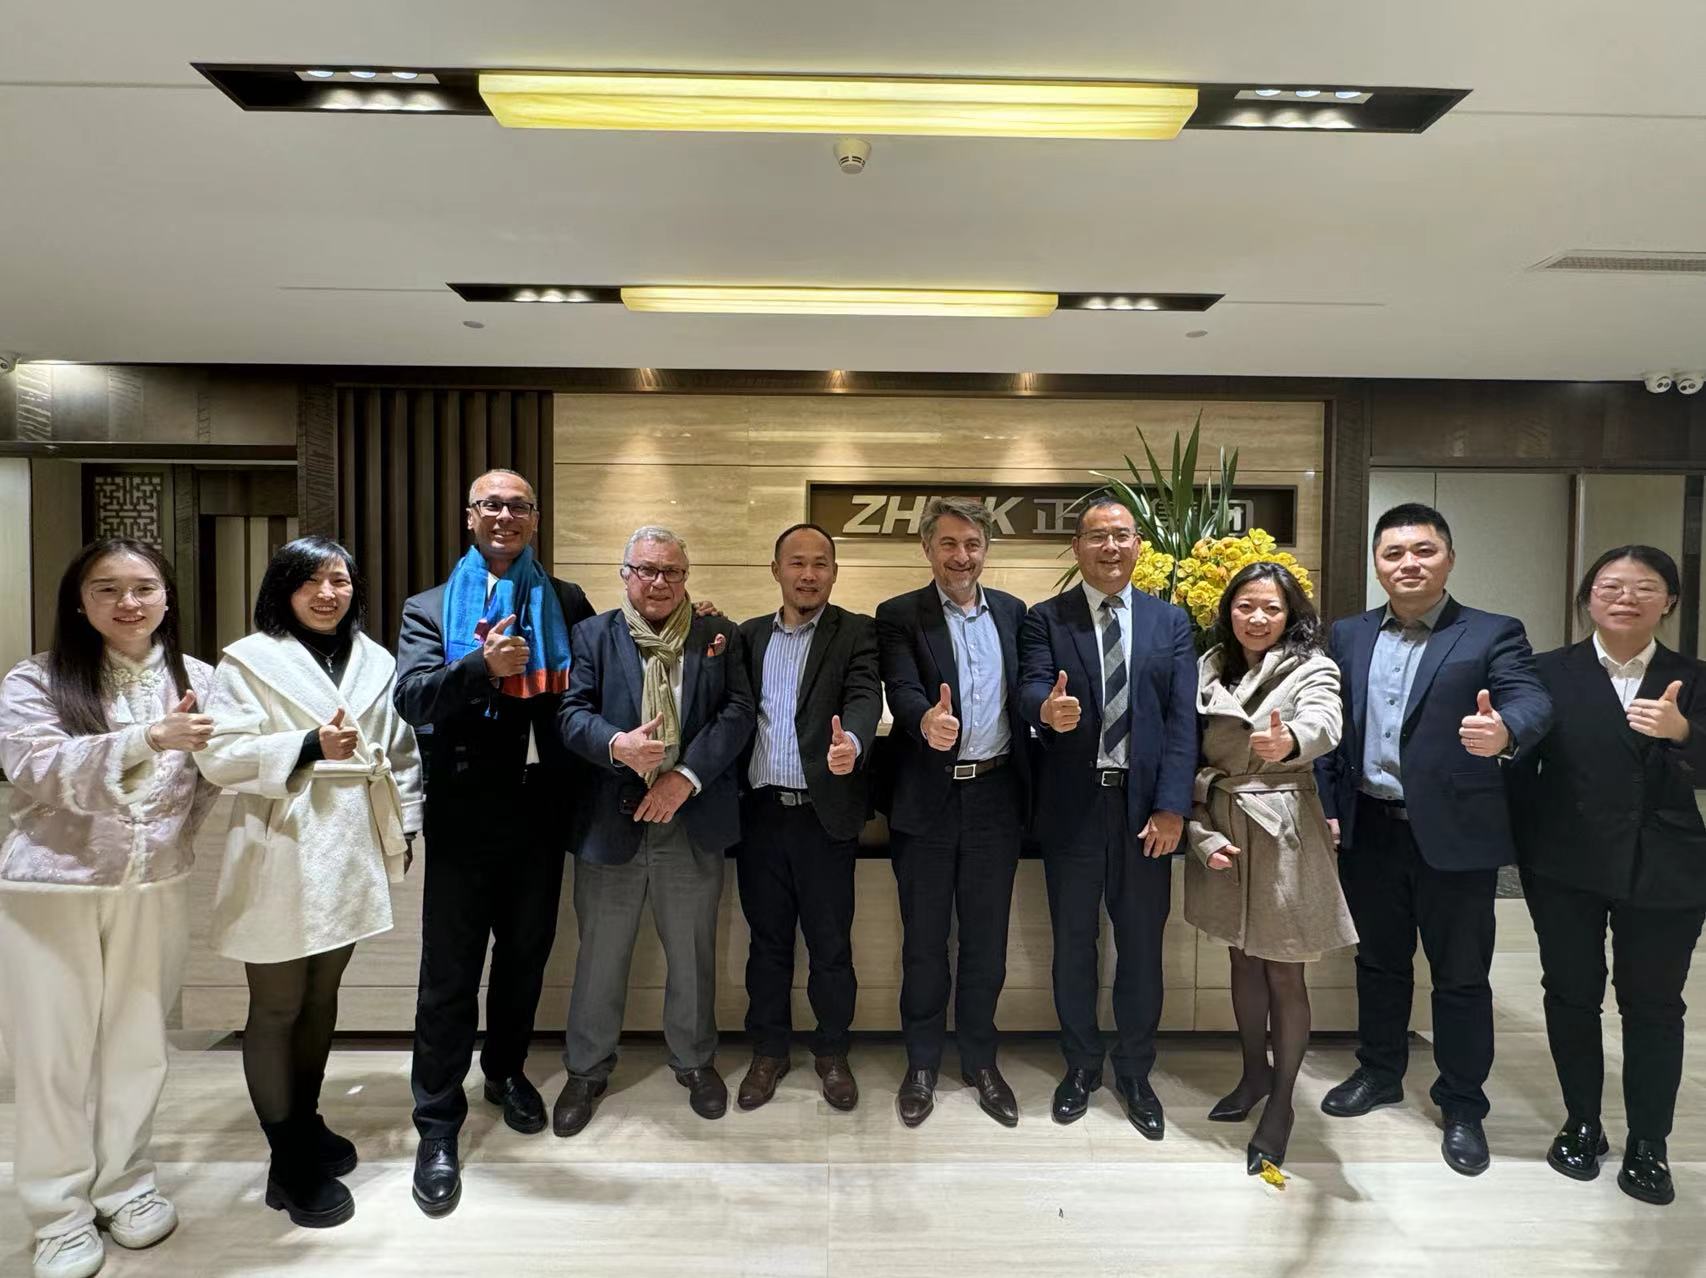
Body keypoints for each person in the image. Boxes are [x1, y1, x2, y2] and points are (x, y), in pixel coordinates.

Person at [0, 539, 217, 1278]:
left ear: (166, 598)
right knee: (52, 1057)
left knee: (138, 1047)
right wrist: (145, 737)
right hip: (49, 889)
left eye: (144, 587)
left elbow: (215, 776)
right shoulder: (37, 679)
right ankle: (57, 1213)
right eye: (107, 589)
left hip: (153, 887)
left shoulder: (201, 678)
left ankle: (125, 1184)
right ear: (79, 602)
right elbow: (35, 766)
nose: (128, 602)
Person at [1314, 502, 1552, 1176]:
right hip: (1370, 829)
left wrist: (1504, 731)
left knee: (1461, 978)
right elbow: (1335, 734)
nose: (1408, 564)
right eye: (1393, 554)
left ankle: (1463, 1103)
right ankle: (1380, 1072)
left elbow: (1529, 698)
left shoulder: (1490, 633)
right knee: (1380, 966)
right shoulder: (1349, 634)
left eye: (1422, 551)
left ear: (1448, 557)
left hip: (1455, 837)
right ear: (1376, 564)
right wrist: (1330, 807)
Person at [196, 536, 423, 1229]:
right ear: (283, 588)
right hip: (281, 842)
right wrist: (303, 746)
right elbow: (219, 753)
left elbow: (403, 748)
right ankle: (286, 1152)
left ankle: (307, 1118)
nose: (329, 593)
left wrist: (406, 823)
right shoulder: (248, 660)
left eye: (341, 580)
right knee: (275, 1003)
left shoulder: (375, 661)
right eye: (312, 581)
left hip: (351, 840)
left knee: (324, 991)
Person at [393, 469, 592, 1217]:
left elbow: (606, 667)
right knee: (447, 974)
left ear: (535, 519)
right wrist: (480, 668)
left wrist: (697, 628)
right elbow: (412, 698)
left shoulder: (565, 600)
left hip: (541, 812)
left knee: (524, 957)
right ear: (469, 515)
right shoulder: (430, 607)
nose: (505, 516)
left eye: (519, 505)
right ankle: (437, 1123)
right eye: (492, 504)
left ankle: (504, 1071)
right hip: (464, 813)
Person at [1510, 545, 1706, 1207]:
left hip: (1667, 866)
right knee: (1570, 994)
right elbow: (1520, 758)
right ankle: (1583, 1122)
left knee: (1653, 1006)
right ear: (1587, 596)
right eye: (1611, 585)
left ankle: (1649, 1143)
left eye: (1644, 587)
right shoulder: (1544, 673)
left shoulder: (1695, 677)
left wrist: (1685, 734)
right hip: (1565, 860)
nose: (1626, 597)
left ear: (1669, 601)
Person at [553, 526, 754, 1134]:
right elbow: (570, 711)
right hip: (611, 823)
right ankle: (587, 1069)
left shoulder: (719, 635)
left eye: (672, 571)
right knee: (600, 957)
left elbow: (738, 712)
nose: (659, 582)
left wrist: (684, 776)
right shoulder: (591, 636)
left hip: (688, 822)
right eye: (646, 570)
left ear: (686, 577)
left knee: (693, 955)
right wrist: (615, 745)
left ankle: (694, 1061)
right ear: (625, 575)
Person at [1017, 497, 1196, 1140]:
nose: (1110, 547)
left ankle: (1136, 1071)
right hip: (1073, 808)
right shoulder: (1046, 618)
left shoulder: (1170, 622)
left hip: (1146, 810)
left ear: (1139, 545)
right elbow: (1031, 684)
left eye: (1122, 536)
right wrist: (1046, 710)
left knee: (1142, 949)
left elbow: (1182, 724)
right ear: (1077, 548)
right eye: (1098, 536)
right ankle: (1080, 1065)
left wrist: (1174, 806)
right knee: (1074, 947)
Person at [1182, 561, 1355, 1174]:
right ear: (1227, 610)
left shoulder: (1313, 667)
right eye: (1246, 606)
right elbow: (1188, 741)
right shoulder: (1207, 666)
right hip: (1223, 818)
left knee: (1284, 969)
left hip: (1283, 825)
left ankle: (1282, 1103)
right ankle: (1254, 1073)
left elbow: (1324, 720)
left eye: (1272, 608)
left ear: (1292, 615)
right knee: (1240, 955)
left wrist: (1290, 742)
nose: (1257, 618)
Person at [875, 496, 1032, 1128]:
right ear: (927, 549)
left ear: (985, 550)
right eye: (948, 544)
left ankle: (980, 1060)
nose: (960, 557)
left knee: (986, 943)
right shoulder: (898, 615)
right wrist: (924, 720)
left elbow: (1028, 687)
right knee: (924, 942)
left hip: (997, 796)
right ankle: (920, 1063)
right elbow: (903, 687)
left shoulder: (1017, 615)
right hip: (927, 801)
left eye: (971, 545)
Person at [734, 523, 881, 1112]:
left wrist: (857, 744)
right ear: (776, 570)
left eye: (821, 563)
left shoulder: (857, 633)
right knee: (766, 945)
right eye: (797, 563)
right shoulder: (746, 638)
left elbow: (865, 695)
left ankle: (832, 1052)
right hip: (761, 816)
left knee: (830, 946)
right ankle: (768, 1052)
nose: (809, 574)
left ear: (834, 573)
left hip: (825, 817)